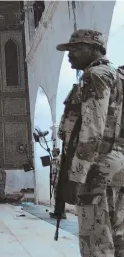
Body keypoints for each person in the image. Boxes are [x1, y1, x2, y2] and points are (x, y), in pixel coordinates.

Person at [56, 29, 124, 257]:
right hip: (117, 164)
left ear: (93, 49)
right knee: (118, 236)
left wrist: (77, 174)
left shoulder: (94, 75)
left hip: (97, 166)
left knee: (96, 242)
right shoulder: (117, 77)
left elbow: (92, 130)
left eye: (75, 48)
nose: (69, 54)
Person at [49, 147, 66, 219]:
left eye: (53, 151)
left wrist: (56, 180)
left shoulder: (58, 159)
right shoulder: (54, 160)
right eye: (52, 151)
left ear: (57, 152)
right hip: (55, 181)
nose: (52, 152)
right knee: (56, 197)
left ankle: (61, 213)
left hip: (58, 181)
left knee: (60, 197)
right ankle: (57, 212)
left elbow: (58, 171)